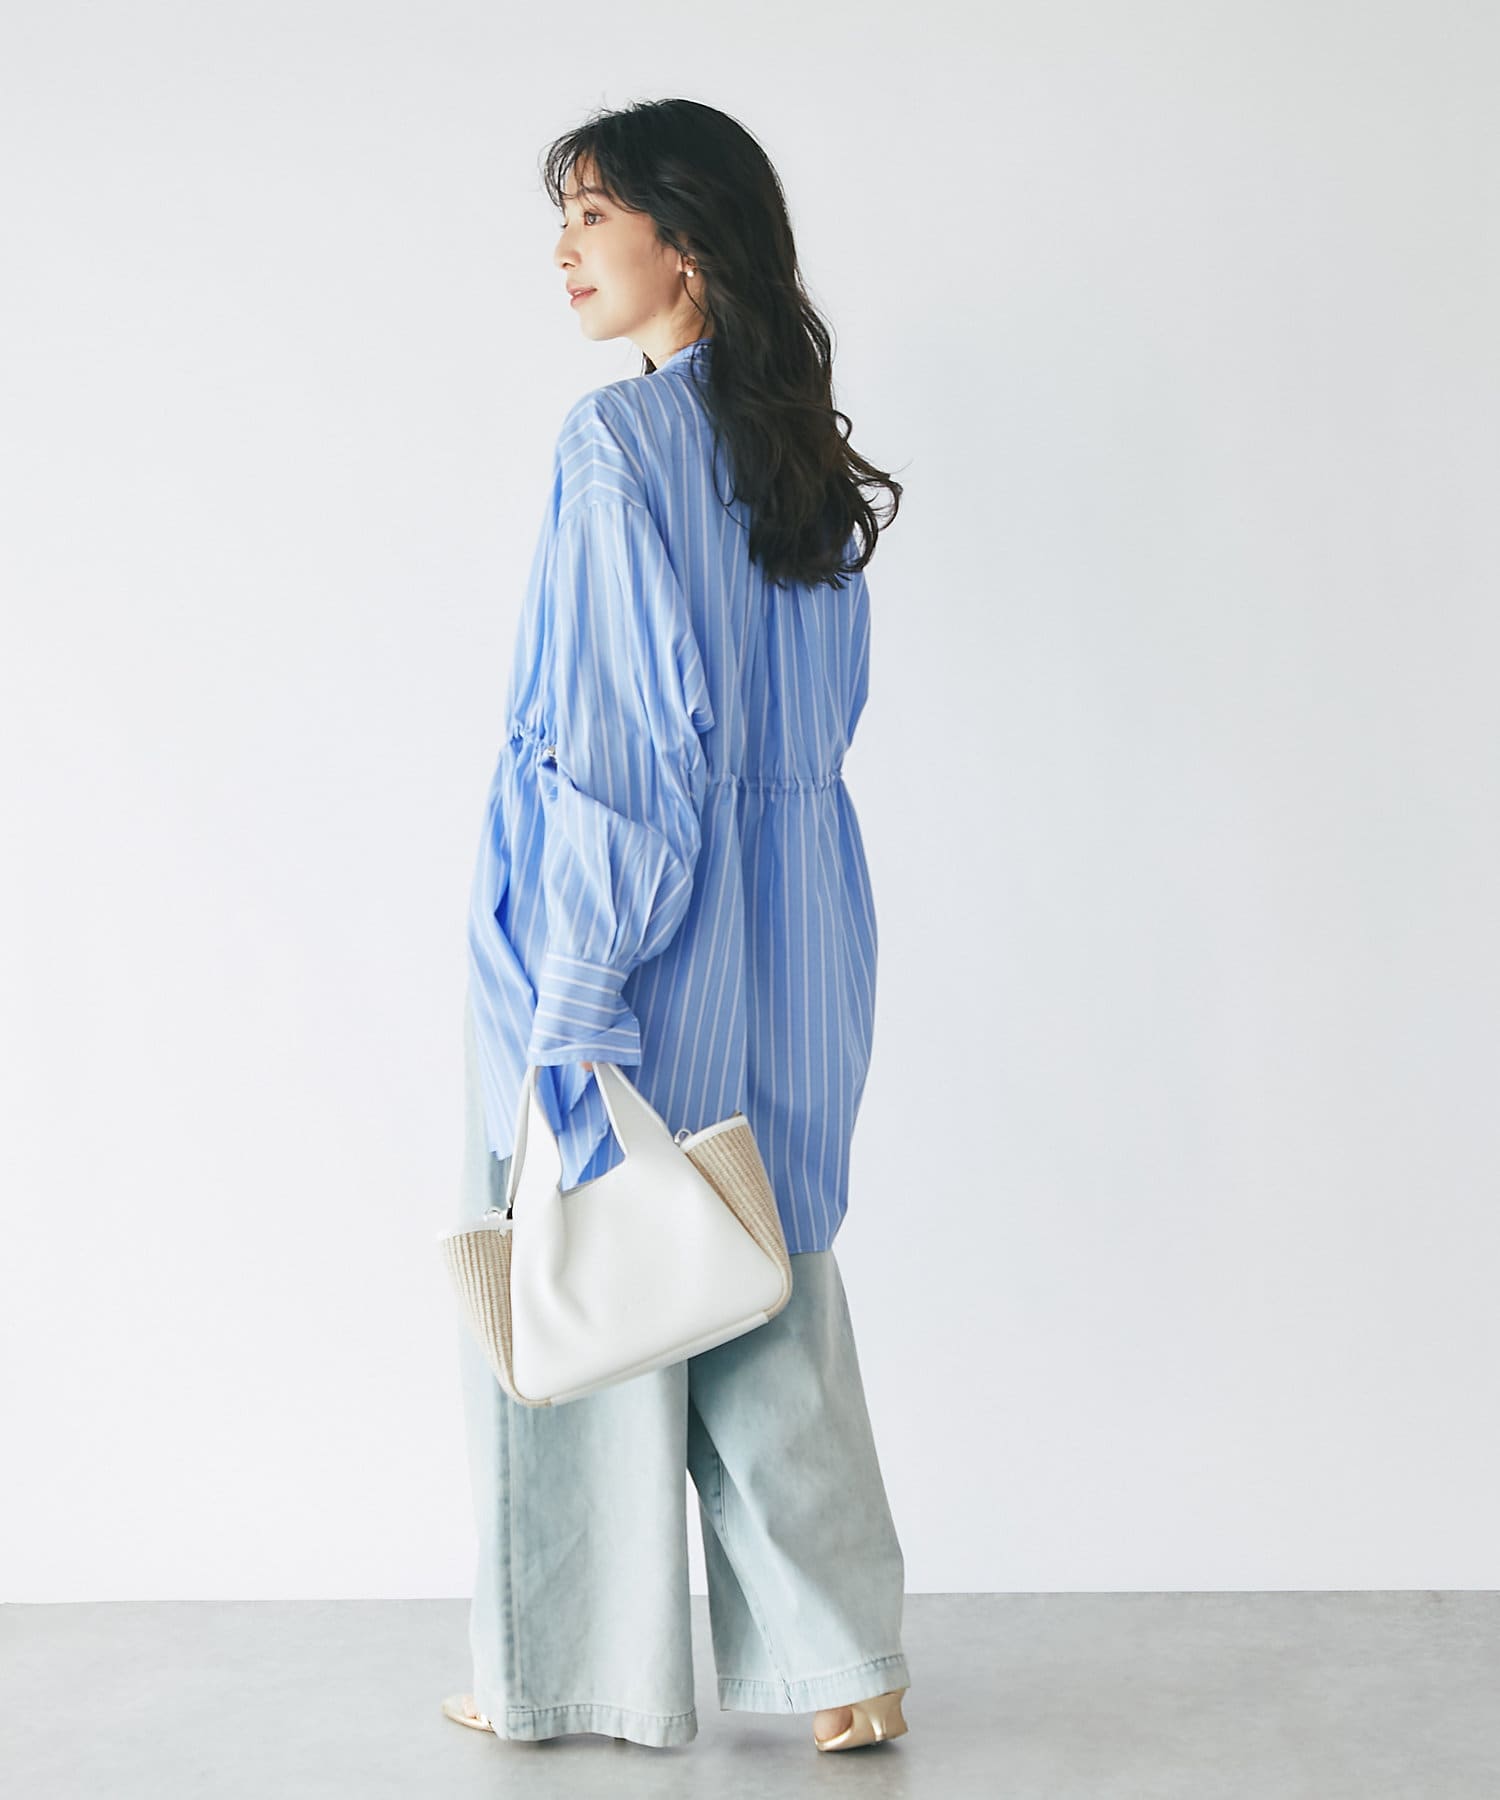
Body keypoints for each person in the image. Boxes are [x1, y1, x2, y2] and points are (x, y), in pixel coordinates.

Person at [445, 98, 910, 1755]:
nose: (563, 251)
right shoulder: (801, 455)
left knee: (581, 1270)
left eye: (593, 215)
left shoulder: (617, 447)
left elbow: (623, 752)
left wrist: (577, 977)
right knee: (761, 1273)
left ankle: (566, 1675)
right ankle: (847, 1663)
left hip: (641, 921)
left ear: (687, 243)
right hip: (800, 926)